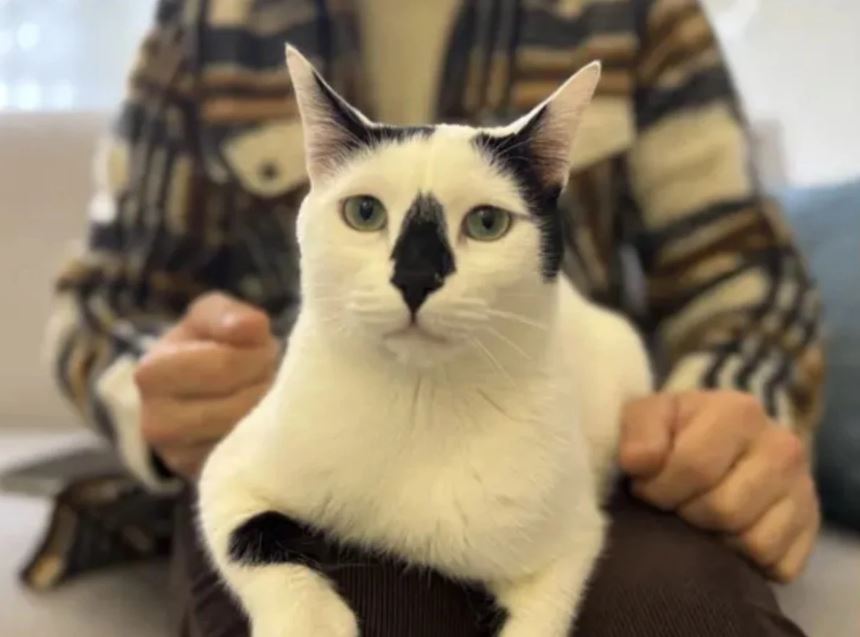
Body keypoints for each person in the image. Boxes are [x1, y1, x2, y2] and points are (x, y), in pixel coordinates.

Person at [46, 0, 824, 635]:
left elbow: (742, 281)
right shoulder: (207, 20)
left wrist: (716, 426)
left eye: (486, 222)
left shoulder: (641, 13)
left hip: (560, 427)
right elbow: (107, 301)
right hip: (313, 430)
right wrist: (162, 384)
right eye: (362, 213)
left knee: (687, 618)